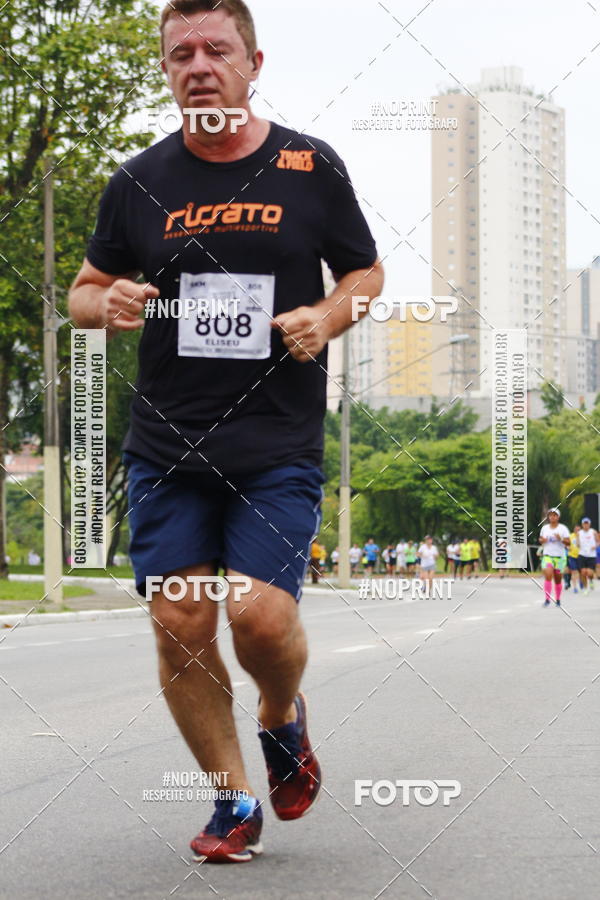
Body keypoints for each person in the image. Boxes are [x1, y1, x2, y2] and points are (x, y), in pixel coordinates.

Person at [68, 0, 383, 865]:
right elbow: (83, 291)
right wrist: (110, 302)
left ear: (254, 62)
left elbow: (365, 270)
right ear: (167, 72)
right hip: (167, 445)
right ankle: (233, 798)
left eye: (217, 49)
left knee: (258, 619)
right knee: (178, 619)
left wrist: (327, 315)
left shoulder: (308, 167)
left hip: (276, 442)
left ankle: (282, 716)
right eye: (181, 54)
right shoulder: (138, 181)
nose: (199, 65)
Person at [539, 508, 570, 606]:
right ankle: (547, 599)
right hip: (548, 556)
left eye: (555, 515)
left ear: (558, 517)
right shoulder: (545, 528)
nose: (552, 517)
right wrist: (542, 540)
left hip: (560, 557)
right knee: (548, 574)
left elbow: (568, 542)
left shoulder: (563, 528)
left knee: (557, 579)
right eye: (550, 515)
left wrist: (560, 539)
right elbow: (540, 539)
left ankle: (558, 599)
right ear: (548, 517)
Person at [576, 517, 598, 594]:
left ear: (589, 524)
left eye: (587, 523)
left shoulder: (593, 532)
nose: (586, 525)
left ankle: (591, 580)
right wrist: (578, 544)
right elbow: (577, 543)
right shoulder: (579, 533)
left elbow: (598, 542)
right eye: (584, 524)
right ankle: (585, 588)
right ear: (582, 524)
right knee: (583, 572)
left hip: (591, 555)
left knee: (589, 573)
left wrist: (595, 546)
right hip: (582, 554)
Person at [564, 524, 581, 593]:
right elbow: (566, 544)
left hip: (580, 556)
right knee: (573, 571)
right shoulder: (571, 536)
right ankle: (575, 587)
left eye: (579, 530)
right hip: (571, 556)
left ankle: (581, 582)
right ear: (574, 530)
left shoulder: (582, 536)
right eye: (576, 529)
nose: (577, 531)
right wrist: (567, 547)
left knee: (580, 572)